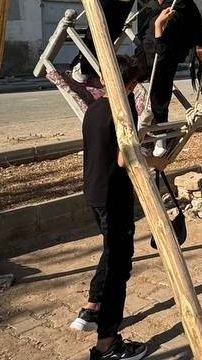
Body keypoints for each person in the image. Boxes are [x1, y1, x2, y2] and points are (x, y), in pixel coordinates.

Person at [71, 55, 152, 360]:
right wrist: (143, 143)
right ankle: (106, 345)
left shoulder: (93, 109)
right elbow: (123, 159)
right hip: (113, 196)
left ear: (104, 79)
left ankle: (92, 307)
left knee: (111, 250)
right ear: (131, 85)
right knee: (119, 267)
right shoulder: (122, 111)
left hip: (94, 192)